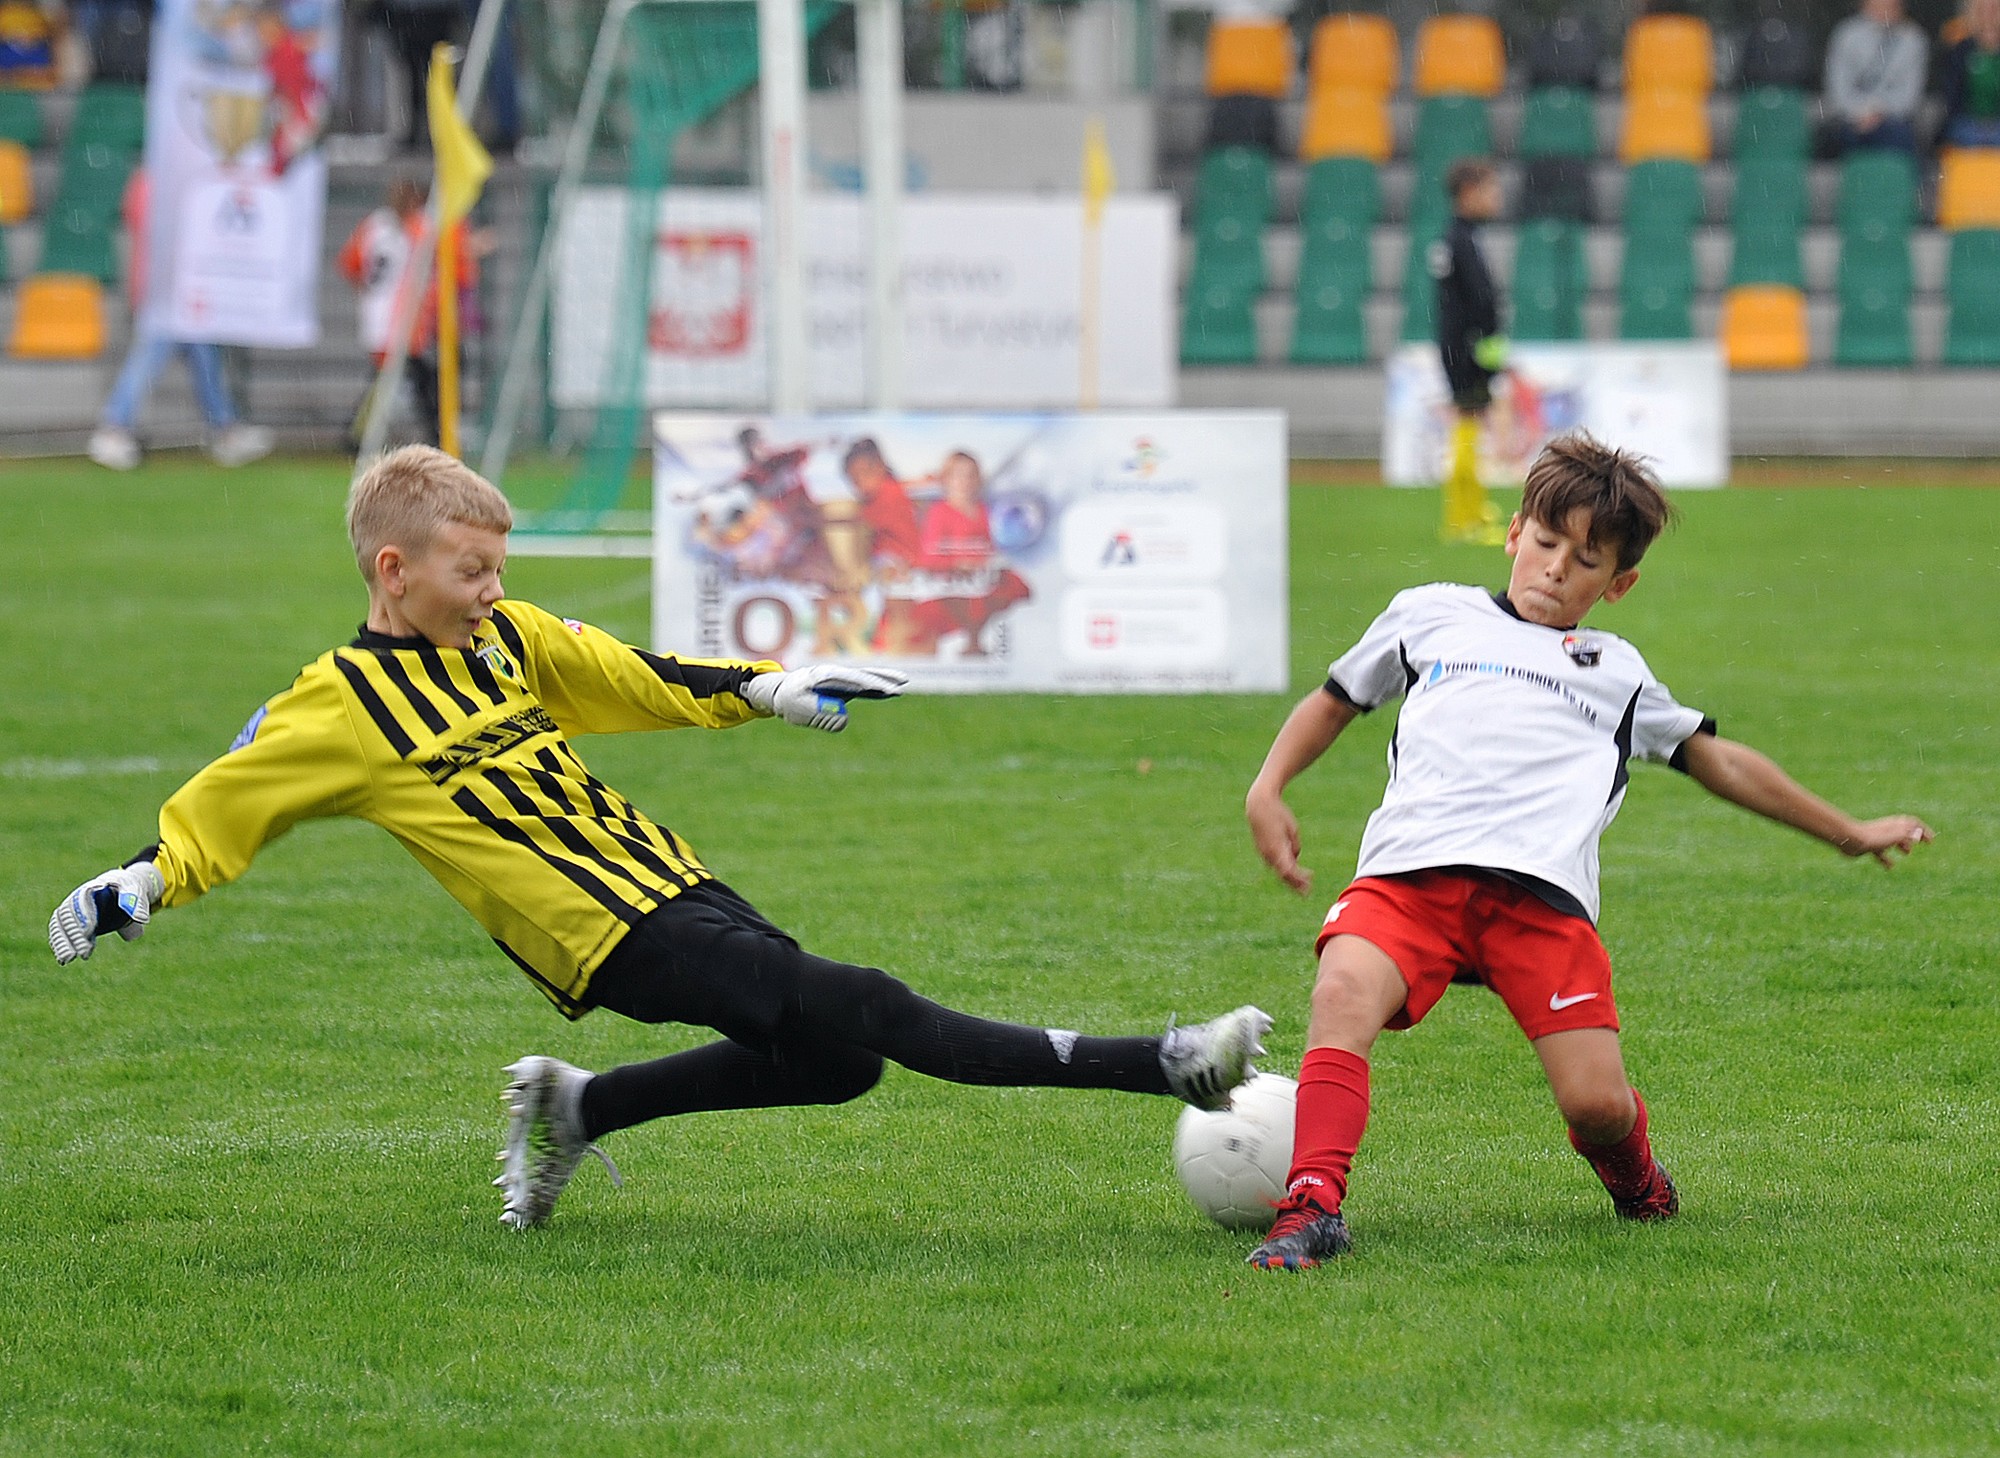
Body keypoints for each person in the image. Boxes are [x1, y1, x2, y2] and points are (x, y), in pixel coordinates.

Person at [45, 444, 1272, 1230]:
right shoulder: (338, 705)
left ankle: (584, 1109)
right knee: (873, 1003)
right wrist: (141, 881)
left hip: (673, 880)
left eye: (496, 566)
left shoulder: (509, 639)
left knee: (837, 1062)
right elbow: (232, 800)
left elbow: (635, 672)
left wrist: (768, 687)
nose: (491, 587)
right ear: (393, 570)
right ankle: (1164, 1064)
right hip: (602, 936)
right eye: (471, 569)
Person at [1240, 433, 1933, 1270]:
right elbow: (1335, 699)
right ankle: (1312, 1207)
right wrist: (1268, 785)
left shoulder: (1616, 672)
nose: (1556, 568)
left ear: (1620, 583)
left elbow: (1719, 760)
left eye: (1586, 559)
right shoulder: (1428, 614)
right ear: (1512, 533)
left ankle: (1634, 1173)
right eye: (1544, 541)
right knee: (1343, 991)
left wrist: (1849, 831)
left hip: (1541, 906)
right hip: (1409, 880)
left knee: (1597, 1105)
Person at [87, 168, 274, 472]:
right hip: (165, 291)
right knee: (151, 358)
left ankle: (223, 428)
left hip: (185, 291)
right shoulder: (154, 182)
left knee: (203, 359)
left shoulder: (163, 180)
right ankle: (115, 427)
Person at [1431, 158, 1508, 547]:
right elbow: (1476, 300)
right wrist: (1484, 345)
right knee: (1466, 427)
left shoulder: (1458, 238)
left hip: (1462, 346)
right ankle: (1463, 520)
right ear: (1469, 193)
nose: (1497, 198)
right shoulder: (1460, 240)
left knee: (1469, 427)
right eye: (1490, 190)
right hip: (1466, 349)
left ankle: (1468, 512)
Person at [1823, 0, 1927, 155]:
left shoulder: (1913, 39)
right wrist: (1861, 113)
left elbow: (1910, 95)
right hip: (1850, 120)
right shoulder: (1846, 35)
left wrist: (1878, 113)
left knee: (1901, 140)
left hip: (1894, 121)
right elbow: (1838, 89)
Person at [1940, 0, 2000, 148]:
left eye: (1994, 9)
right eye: (1983, 9)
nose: (1989, 15)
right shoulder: (1960, 51)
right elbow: (1951, 97)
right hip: (1966, 122)